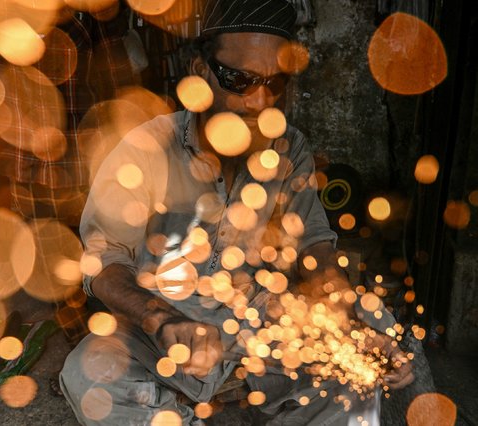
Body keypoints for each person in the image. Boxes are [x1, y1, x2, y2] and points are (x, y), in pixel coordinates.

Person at [60, 0, 414, 424]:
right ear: (199, 72)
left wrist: (351, 323)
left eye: (275, 83)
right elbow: (103, 263)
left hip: (257, 328)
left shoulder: (288, 148)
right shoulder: (146, 147)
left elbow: (315, 249)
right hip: (160, 333)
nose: (258, 102)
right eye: (239, 80)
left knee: (367, 334)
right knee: (89, 374)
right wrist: (160, 317)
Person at [0, 2, 138, 344]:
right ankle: (84, 339)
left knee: (100, 247)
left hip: (80, 160)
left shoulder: (81, 21)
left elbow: (113, 77)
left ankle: (108, 334)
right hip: (44, 165)